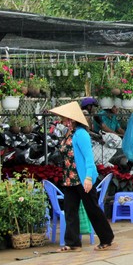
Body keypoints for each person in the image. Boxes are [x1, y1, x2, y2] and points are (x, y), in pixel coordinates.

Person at [48, 102, 115, 252]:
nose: (62, 121)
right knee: (70, 210)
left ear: (71, 119)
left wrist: (89, 178)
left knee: (92, 208)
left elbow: (89, 159)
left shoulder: (81, 134)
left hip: (83, 177)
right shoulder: (68, 133)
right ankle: (73, 242)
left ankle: (106, 238)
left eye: (65, 118)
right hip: (69, 178)